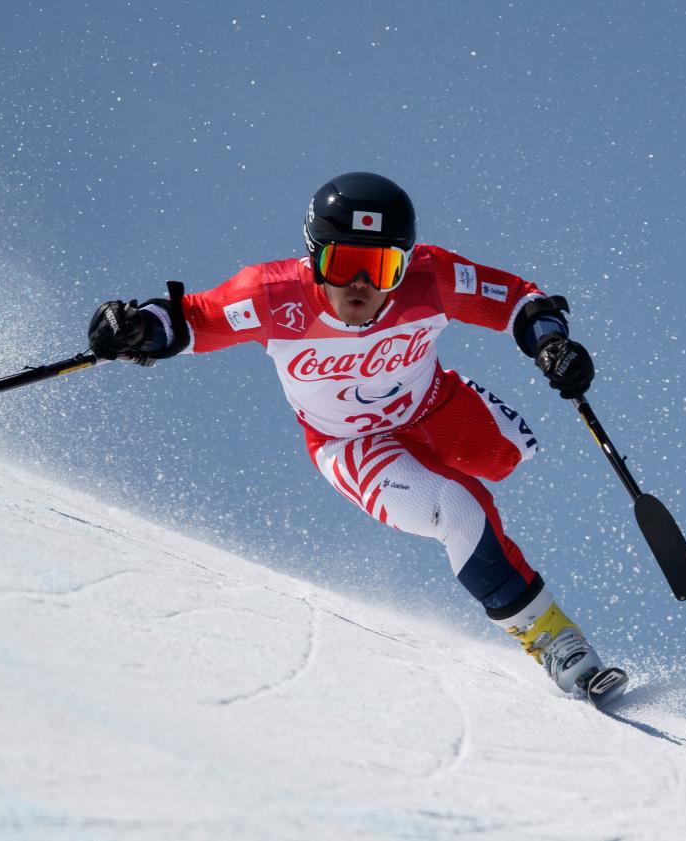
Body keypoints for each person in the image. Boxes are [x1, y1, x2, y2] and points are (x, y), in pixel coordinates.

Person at [88, 172, 609, 695]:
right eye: (342, 264)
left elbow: (519, 300)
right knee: (459, 507)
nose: (360, 284)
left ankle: (473, 449)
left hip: (435, 406)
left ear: (404, 263)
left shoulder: (430, 277)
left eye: (382, 267)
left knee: (506, 457)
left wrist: (550, 345)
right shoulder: (270, 296)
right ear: (314, 257)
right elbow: (190, 320)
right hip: (348, 443)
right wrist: (135, 327)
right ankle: (554, 641)